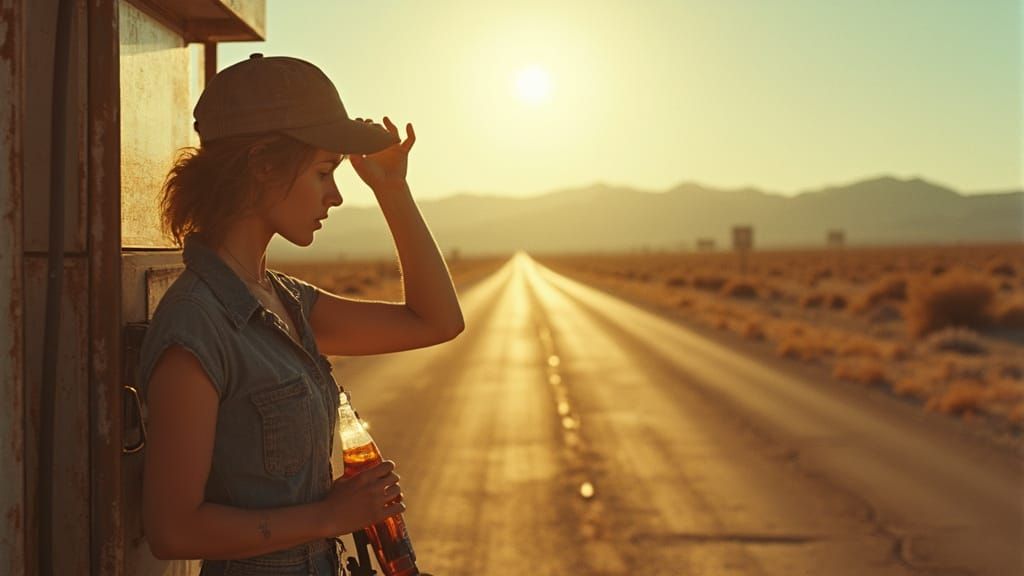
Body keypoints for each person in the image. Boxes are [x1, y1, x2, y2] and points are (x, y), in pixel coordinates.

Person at [136, 53, 464, 576]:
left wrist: (392, 188)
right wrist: (328, 515)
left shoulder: (287, 301)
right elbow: (172, 529)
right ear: (264, 164)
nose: (335, 195)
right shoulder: (197, 325)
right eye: (323, 172)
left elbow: (438, 323)